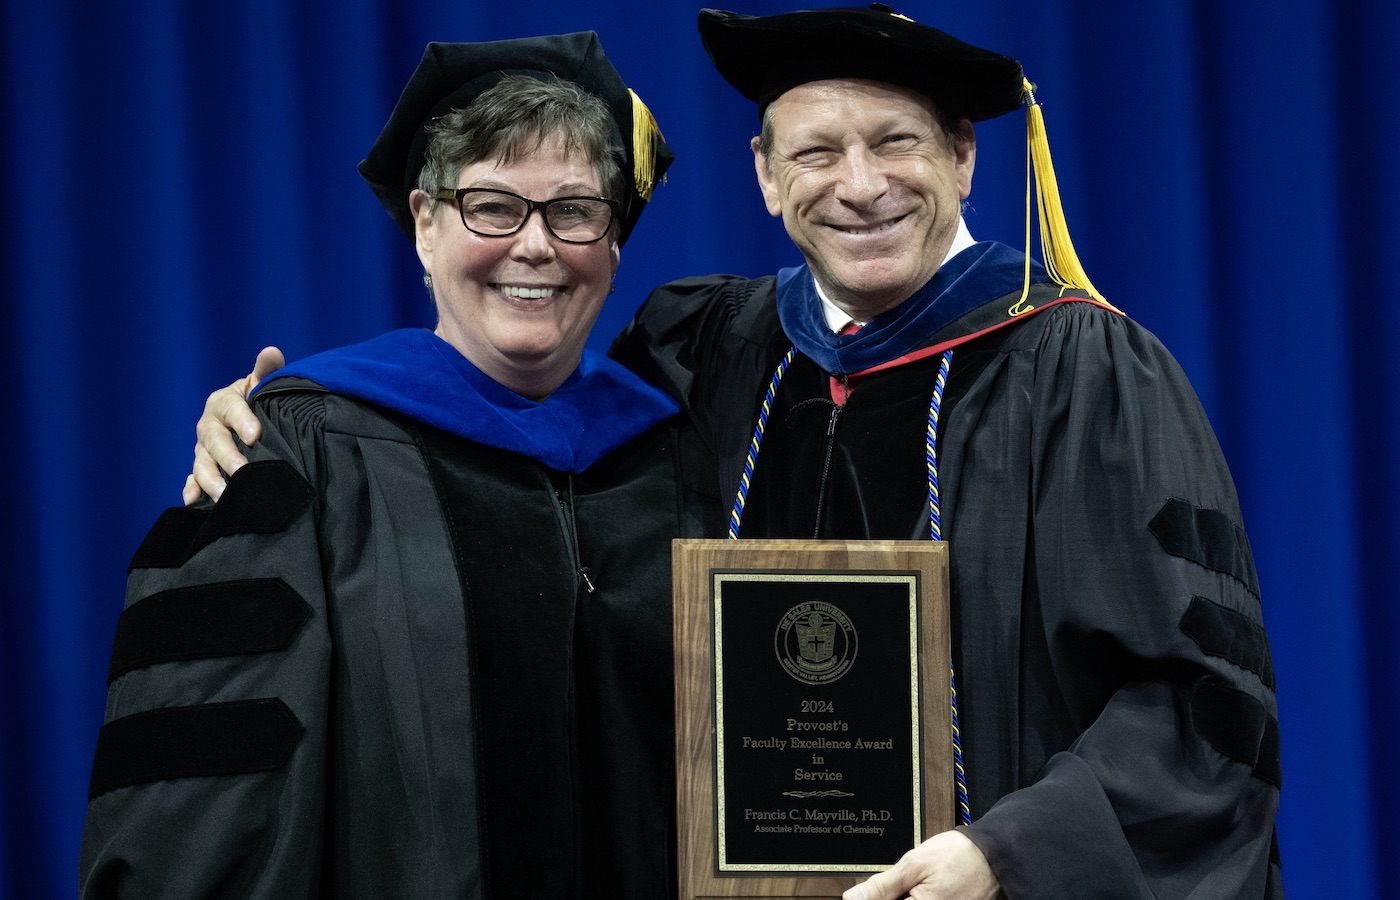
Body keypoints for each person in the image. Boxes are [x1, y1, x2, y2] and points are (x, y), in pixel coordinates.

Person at [188, 7, 1284, 899]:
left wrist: (1008, 854)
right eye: (815, 150)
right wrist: (267, 419)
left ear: (960, 155)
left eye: (895, 141)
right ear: (764, 175)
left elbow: (1203, 701)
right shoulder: (705, 348)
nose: (857, 186)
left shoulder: (1085, 372)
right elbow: (522, 452)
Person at [80, 33, 718, 898]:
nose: (536, 245)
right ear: (424, 224)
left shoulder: (679, 455)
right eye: (492, 205)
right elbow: (200, 812)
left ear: (612, 244)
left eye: (575, 210)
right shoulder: (306, 448)